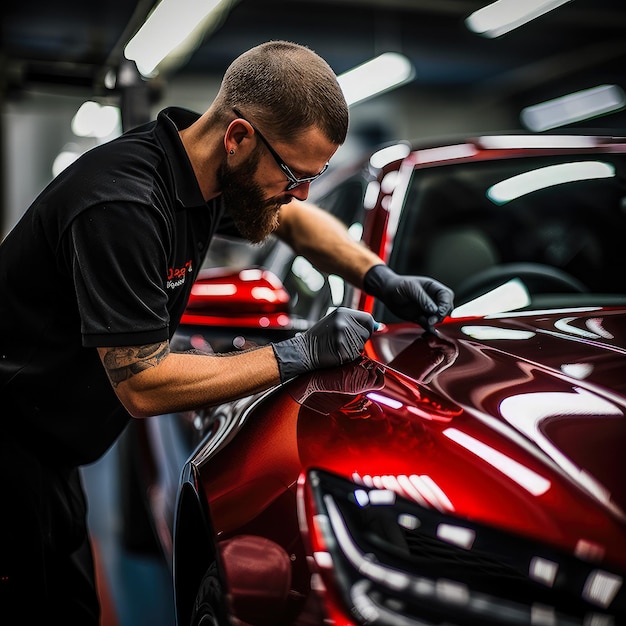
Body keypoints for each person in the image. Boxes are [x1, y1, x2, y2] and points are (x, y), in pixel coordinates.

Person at [0, 40, 453, 622]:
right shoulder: (123, 205)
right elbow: (142, 384)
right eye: (294, 173)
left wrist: (381, 276)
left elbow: (296, 222)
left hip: (49, 453)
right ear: (237, 137)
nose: (301, 190)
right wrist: (299, 352)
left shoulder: (206, 168)